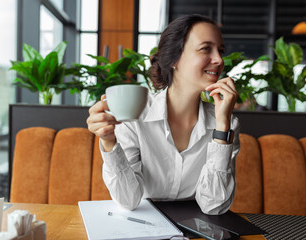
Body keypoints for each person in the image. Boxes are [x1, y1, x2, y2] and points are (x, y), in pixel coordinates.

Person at [87, 14, 240, 215]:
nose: (219, 60)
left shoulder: (226, 123)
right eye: (206, 49)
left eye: (220, 51)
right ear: (174, 59)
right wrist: (108, 142)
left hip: (199, 229)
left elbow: (214, 206)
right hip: (143, 227)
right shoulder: (135, 113)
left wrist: (222, 130)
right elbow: (128, 199)